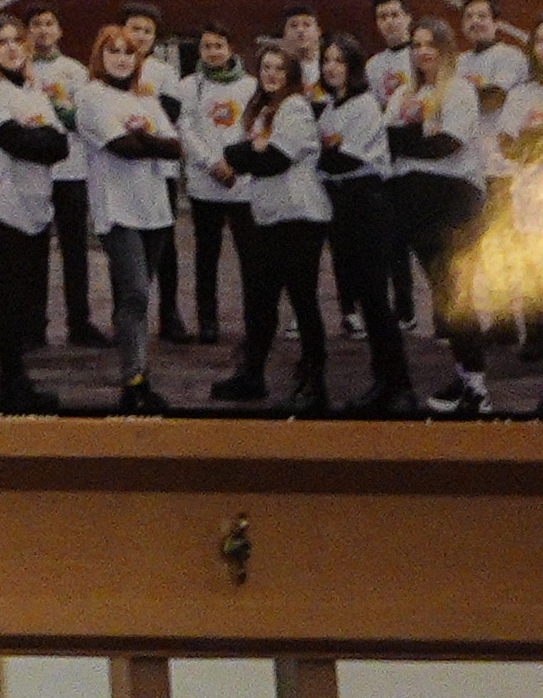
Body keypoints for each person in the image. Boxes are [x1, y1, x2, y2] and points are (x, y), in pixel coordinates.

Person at [207, 49, 337, 412]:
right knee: (260, 301)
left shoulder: (294, 106)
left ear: (292, 74)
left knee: (302, 300)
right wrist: (253, 149)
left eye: (281, 68)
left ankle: (315, 381)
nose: (272, 74)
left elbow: (276, 160)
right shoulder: (262, 109)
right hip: (268, 215)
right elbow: (260, 156)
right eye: (266, 67)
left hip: (298, 217)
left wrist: (237, 154)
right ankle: (251, 374)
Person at [384, 22, 498, 418]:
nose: (423, 51)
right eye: (417, 45)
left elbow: (447, 146)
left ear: (447, 49)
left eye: (431, 44)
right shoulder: (403, 92)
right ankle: (466, 375)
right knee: (442, 295)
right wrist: (413, 136)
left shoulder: (461, 89)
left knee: (456, 295)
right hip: (413, 201)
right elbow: (387, 142)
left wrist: (406, 139)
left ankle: (478, 389)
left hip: (453, 202)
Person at [75, 12, 184, 417]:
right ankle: (134, 376)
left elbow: (175, 148)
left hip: (154, 208)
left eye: (128, 53)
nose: (121, 59)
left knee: (137, 297)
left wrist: (147, 139)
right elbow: (123, 147)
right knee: (135, 291)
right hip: (116, 210)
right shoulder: (91, 96)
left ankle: (135, 379)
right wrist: (149, 138)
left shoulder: (146, 98)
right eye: (113, 51)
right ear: (99, 56)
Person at [0, 16, 68, 415]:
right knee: (10, 295)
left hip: (35, 203)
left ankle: (21, 379)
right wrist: (39, 138)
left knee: (27, 299)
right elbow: (14, 139)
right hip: (1, 203)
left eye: (17, 41)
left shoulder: (33, 89)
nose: (11, 48)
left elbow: (59, 145)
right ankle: (9, 384)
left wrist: (39, 138)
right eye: (1, 42)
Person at [313, 37, 419, 411]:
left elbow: (343, 161)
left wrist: (310, 154)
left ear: (353, 66)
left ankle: (396, 384)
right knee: (363, 296)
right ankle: (386, 378)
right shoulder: (328, 110)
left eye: (339, 61)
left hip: (368, 203)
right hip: (342, 207)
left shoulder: (364, 105)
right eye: (326, 60)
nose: (331, 67)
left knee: (375, 299)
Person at [29, 13, 103, 345]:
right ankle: (35, 323)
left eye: (48, 23)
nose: (43, 30)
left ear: (59, 30)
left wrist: (59, 111)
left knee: (74, 250)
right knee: (34, 249)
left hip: (70, 169)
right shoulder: (21, 69)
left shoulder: (74, 71)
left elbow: (85, 118)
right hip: (33, 169)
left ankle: (79, 321)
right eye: (35, 25)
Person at [178, 25, 253, 343]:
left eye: (219, 45)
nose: (213, 52)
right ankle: (207, 320)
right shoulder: (188, 86)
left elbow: (254, 127)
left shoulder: (251, 85)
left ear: (230, 48)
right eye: (207, 46)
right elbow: (185, 128)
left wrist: (235, 163)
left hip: (242, 181)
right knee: (206, 257)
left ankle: (255, 318)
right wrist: (211, 163)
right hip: (205, 182)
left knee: (250, 257)